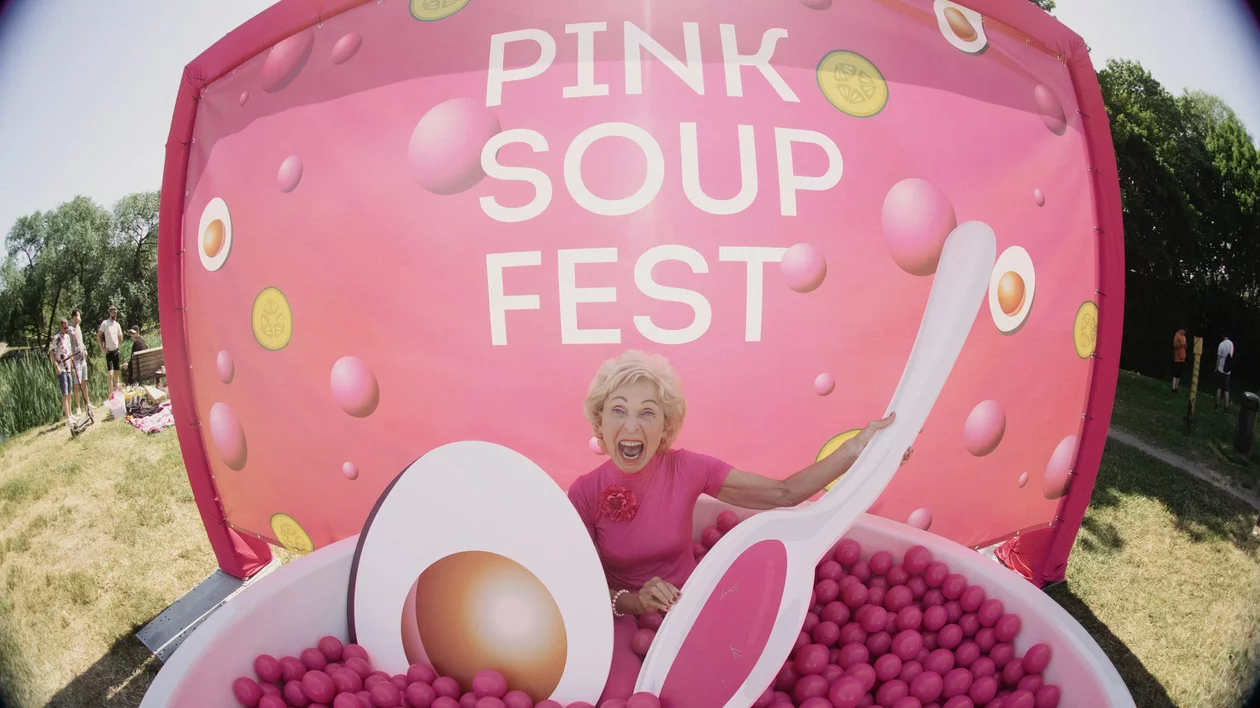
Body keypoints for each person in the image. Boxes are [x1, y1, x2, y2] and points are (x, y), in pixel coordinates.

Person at [567, 350, 914, 703]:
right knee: (620, 698)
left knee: (729, 694)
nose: (631, 425)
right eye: (619, 410)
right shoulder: (583, 492)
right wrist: (635, 602)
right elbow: (577, 589)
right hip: (620, 614)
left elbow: (784, 492)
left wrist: (859, 452)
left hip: (692, 609)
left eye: (647, 413)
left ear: (665, 426)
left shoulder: (685, 468)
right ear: (600, 421)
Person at [47, 319, 75, 428]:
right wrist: (56, 365)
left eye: (67, 327)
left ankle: (71, 414)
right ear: (60, 327)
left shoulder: (67, 337)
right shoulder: (56, 338)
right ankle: (67, 417)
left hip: (68, 367)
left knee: (69, 392)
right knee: (64, 392)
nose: (66, 329)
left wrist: (72, 363)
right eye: (64, 327)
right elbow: (51, 352)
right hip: (61, 367)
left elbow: (69, 351)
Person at [68, 309, 93, 415]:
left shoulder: (79, 327)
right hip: (75, 359)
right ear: (74, 317)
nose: (80, 318)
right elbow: (74, 338)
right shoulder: (70, 328)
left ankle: (88, 403)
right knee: (76, 384)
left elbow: (81, 341)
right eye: (78, 316)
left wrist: (85, 349)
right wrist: (77, 325)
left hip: (82, 359)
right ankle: (78, 407)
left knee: (84, 382)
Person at [97, 305, 123, 396]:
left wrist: (117, 341)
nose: (115, 314)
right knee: (110, 374)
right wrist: (102, 348)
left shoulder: (117, 325)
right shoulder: (105, 323)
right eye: (113, 313)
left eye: (116, 313)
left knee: (116, 374)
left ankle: (117, 393)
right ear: (110, 313)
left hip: (116, 351)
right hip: (109, 352)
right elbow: (98, 335)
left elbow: (121, 339)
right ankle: (111, 394)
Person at [1215, 334, 1234, 410]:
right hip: (1228, 370)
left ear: (1222, 336)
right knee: (1226, 390)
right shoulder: (1231, 344)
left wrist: (1216, 368)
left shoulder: (1221, 345)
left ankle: (1217, 404)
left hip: (1220, 369)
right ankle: (1226, 407)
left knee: (1219, 388)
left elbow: (1218, 359)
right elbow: (1231, 356)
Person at [1171, 328, 1187, 393]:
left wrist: (1185, 346)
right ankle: (1173, 387)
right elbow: (1175, 345)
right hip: (1177, 358)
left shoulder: (1184, 337)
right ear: (1181, 329)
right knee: (1176, 373)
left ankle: (1176, 387)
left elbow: (1185, 347)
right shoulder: (1177, 335)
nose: (1184, 332)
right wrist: (1180, 344)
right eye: (1183, 330)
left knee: (1179, 374)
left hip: (1182, 358)